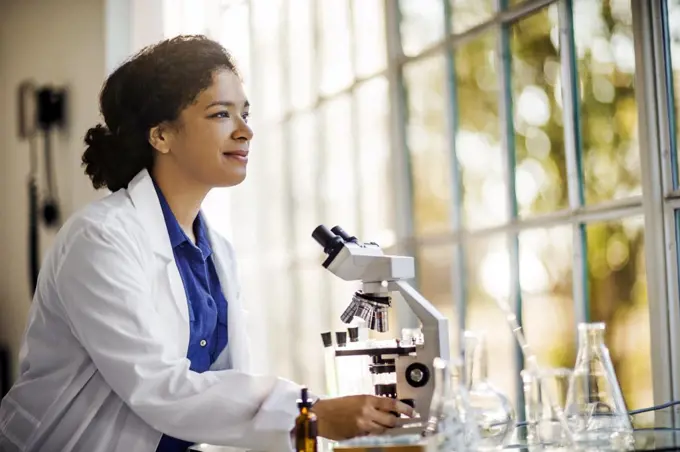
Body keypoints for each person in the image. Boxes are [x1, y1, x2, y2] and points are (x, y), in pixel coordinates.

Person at [0, 35, 413, 452]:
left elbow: (220, 391)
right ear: (161, 136)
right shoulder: (100, 239)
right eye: (221, 114)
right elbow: (159, 388)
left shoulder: (215, 251)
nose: (246, 131)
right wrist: (311, 412)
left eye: (245, 113)